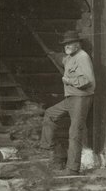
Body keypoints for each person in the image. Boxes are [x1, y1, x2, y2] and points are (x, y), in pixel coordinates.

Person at [39, 30, 95, 174]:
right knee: (50, 114)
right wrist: (52, 54)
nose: (67, 46)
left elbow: (87, 80)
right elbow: (62, 59)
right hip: (71, 98)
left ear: (77, 44)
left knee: (75, 132)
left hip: (81, 98)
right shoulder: (70, 56)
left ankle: (72, 168)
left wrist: (69, 80)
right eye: (65, 44)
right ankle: (47, 148)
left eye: (70, 44)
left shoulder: (83, 58)